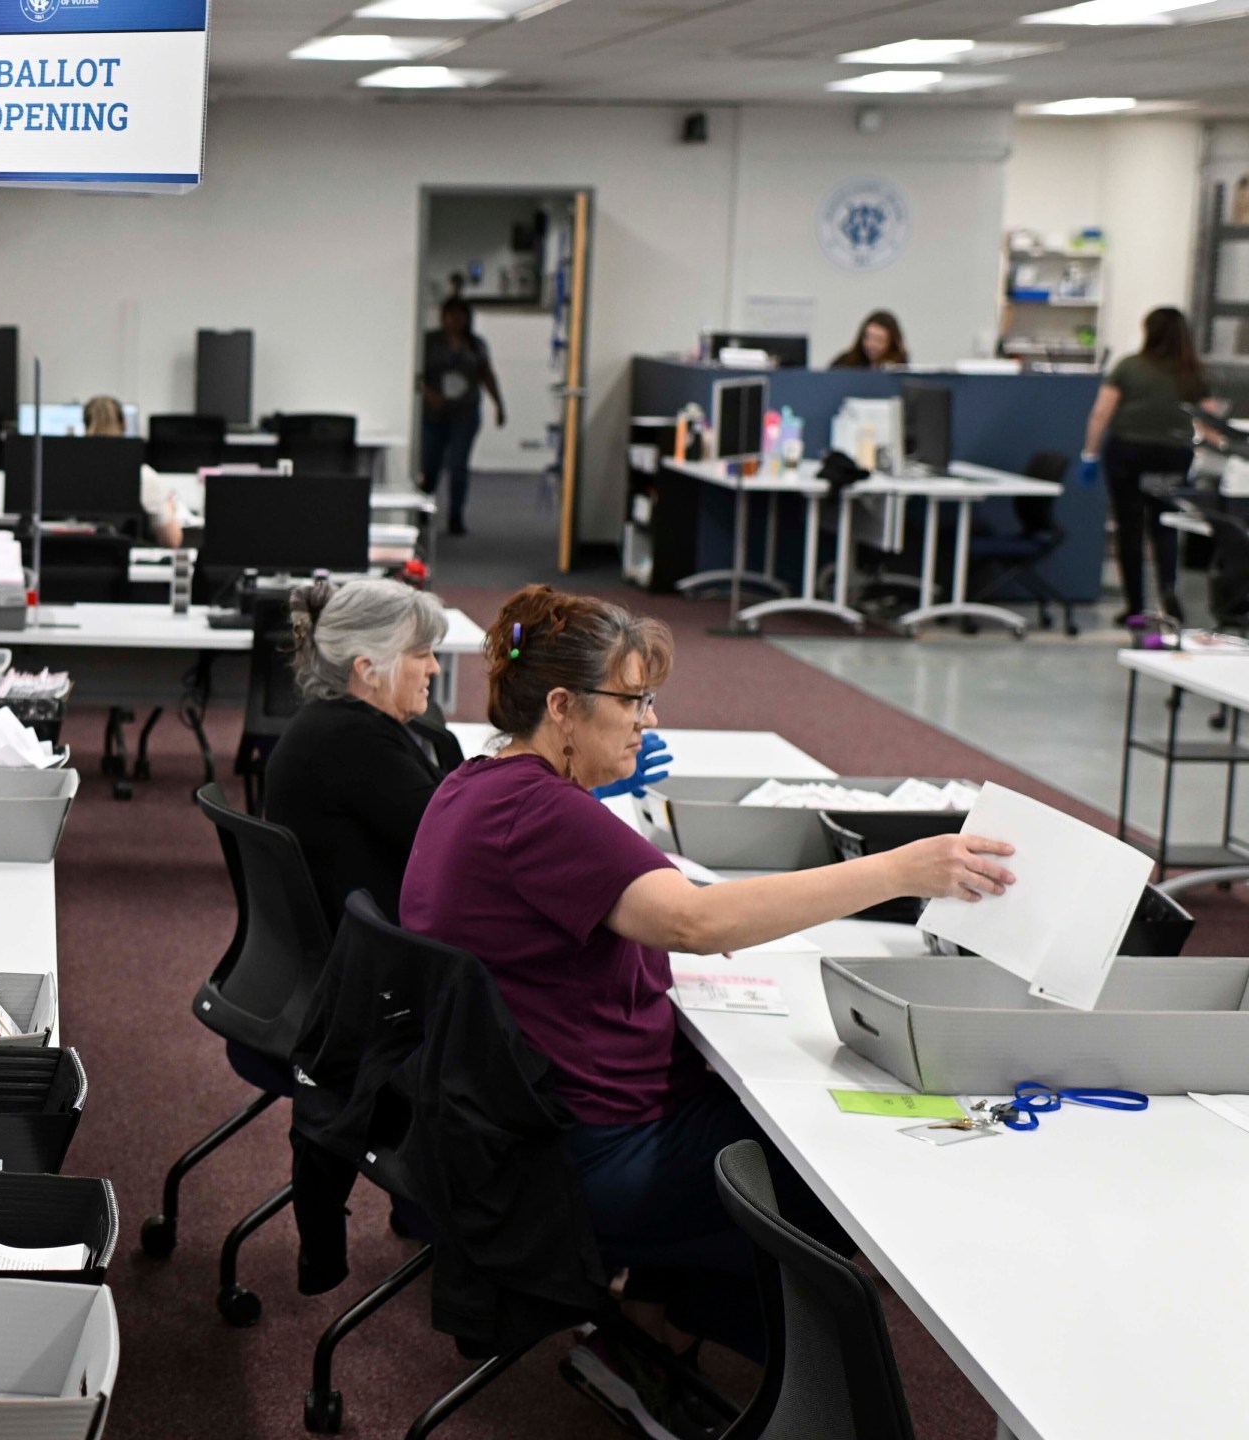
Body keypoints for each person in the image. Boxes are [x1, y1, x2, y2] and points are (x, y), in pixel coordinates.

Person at [399, 586, 1014, 1430]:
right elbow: (695, 920)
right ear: (561, 707)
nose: (646, 720)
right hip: (587, 1152)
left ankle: (646, 1336)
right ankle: (801, 1388)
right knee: (840, 1168)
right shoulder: (539, 812)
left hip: (522, 1126)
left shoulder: (480, 783)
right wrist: (899, 871)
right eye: (632, 700)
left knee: (770, 1113)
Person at [261, 579, 464, 926]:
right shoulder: (352, 744)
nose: (435, 668)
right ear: (367, 670)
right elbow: (456, 840)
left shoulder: (339, 725)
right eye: (420, 655)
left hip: (365, 938)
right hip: (380, 952)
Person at [1083, 306, 1216, 625]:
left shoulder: (1129, 367)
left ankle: (1134, 607)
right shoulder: (1192, 372)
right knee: (1165, 525)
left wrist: (1089, 454)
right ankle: (1169, 601)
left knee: (1130, 528)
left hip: (1128, 453)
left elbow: (1102, 412)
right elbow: (1211, 421)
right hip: (1172, 455)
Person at [419, 298, 503, 536]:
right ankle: (422, 512)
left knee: (458, 466)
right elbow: (416, 373)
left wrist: (499, 405)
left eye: (460, 316)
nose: (455, 321)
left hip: (464, 415)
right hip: (434, 414)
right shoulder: (430, 342)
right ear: (443, 317)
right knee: (430, 466)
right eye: (450, 315)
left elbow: (487, 375)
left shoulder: (476, 345)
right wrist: (428, 394)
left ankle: (456, 516)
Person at [85, 394, 189, 549]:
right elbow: (172, 540)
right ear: (125, 425)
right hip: (121, 568)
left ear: (85, 427)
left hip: (68, 568)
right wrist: (169, 507)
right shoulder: (142, 476)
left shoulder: (69, 474)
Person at [828, 310, 908, 370]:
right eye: (868, 337)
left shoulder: (899, 368)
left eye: (879, 340)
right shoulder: (845, 363)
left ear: (891, 343)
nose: (871, 344)